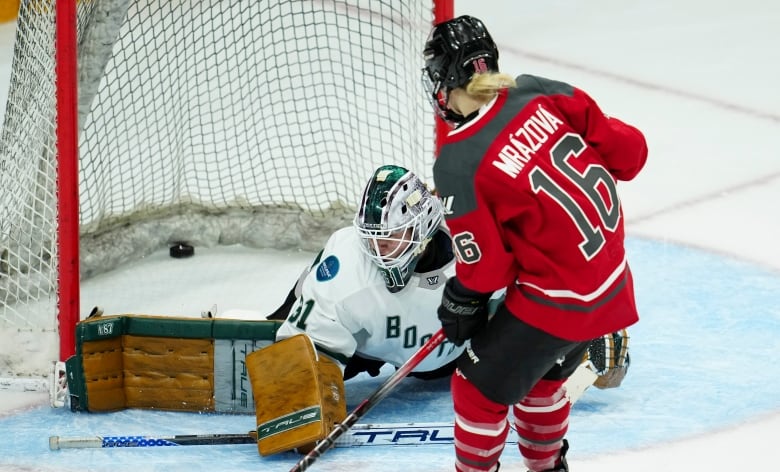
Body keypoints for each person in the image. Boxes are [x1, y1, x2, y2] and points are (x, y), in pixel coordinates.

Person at [421, 15, 648, 472]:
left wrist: (461, 301)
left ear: (446, 79)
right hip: (612, 282)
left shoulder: (459, 160)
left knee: (474, 389)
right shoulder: (542, 90)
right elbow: (631, 153)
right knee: (541, 376)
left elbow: (488, 272)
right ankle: (548, 468)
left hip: (560, 302)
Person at [269, 164, 464, 381]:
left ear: (422, 227)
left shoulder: (469, 244)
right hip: (367, 345)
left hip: (449, 358)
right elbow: (305, 364)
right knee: (290, 365)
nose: (378, 247)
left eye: (391, 235)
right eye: (371, 236)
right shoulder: (349, 263)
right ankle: (275, 322)